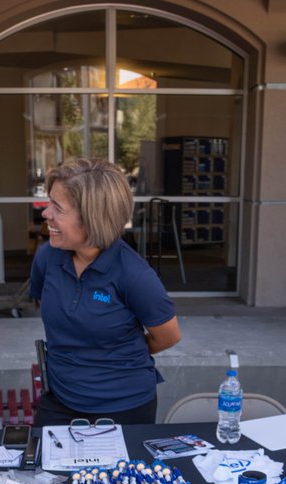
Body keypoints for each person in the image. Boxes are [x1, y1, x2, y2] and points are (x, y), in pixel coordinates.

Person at [30, 158, 181, 426]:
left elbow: (167, 336)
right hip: (59, 400)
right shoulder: (46, 258)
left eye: (57, 208)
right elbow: (52, 309)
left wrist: (115, 355)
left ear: (91, 218)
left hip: (125, 407)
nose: (46, 213)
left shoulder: (134, 275)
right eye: (49, 203)